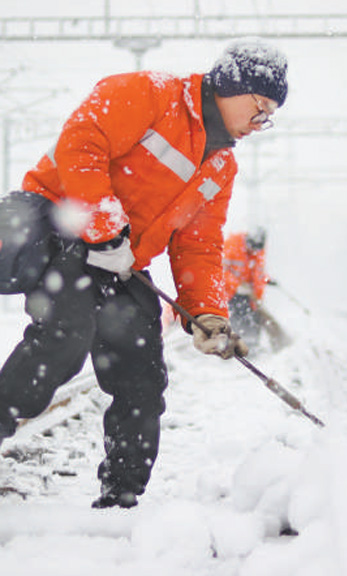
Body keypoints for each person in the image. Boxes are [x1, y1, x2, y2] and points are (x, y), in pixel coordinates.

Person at [0, 39, 288, 508]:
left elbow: (198, 246)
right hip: (67, 228)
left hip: (122, 263)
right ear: (232, 87)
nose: (261, 123)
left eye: (268, 115)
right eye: (260, 107)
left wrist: (208, 314)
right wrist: (105, 227)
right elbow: (82, 144)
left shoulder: (221, 165)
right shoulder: (149, 94)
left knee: (143, 377)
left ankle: (121, 497)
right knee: (62, 342)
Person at [223, 228, 291, 350]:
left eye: (256, 249)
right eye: (251, 247)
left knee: (254, 320)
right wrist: (236, 285)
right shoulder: (232, 244)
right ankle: (235, 349)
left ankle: (252, 348)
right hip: (231, 294)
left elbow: (256, 273)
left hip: (251, 296)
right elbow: (221, 269)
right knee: (238, 320)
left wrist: (267, 279)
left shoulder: (258, 251)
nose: (253, 251)